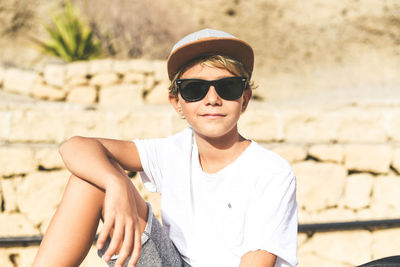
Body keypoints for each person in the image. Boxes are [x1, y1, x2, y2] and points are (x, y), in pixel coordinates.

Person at [33, 28, 298, 267]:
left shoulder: (271, 172)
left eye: (227, 87)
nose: (212, 99)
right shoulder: (174, 151)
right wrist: (116, 183)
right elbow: (74, 146)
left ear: (245, 99)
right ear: (176, 102)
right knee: (91, 180)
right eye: (195, 89)